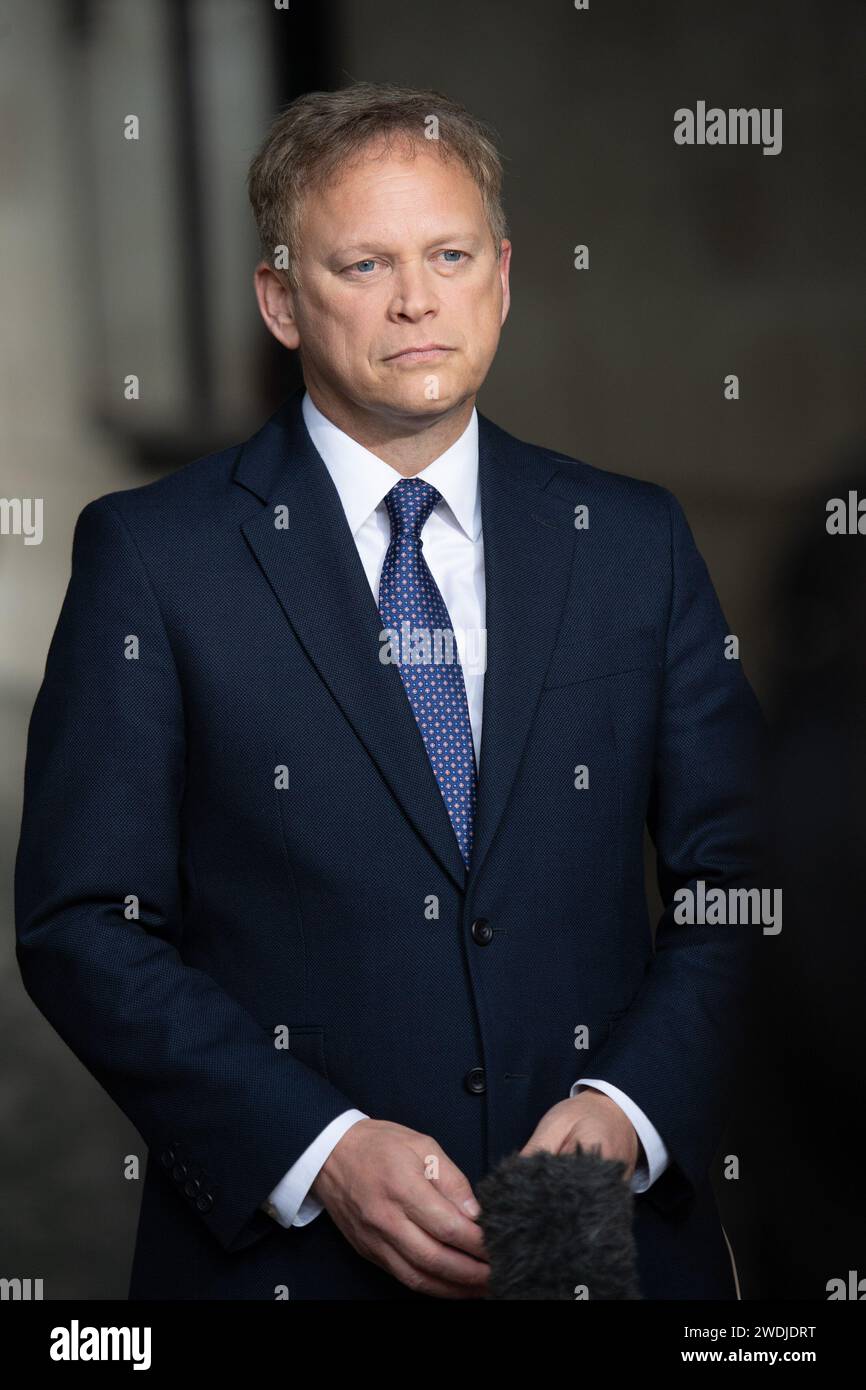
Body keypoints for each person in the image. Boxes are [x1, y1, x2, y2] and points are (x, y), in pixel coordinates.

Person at [14, 82, 765, 1300]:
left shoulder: (631, 541)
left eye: (448, 254)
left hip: (594, 1245)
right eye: (363, 263)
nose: (416, 300)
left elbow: (744, 876)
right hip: (290, 1260)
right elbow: (84, 923)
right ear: (279, 299)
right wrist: (318, 1151)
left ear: (502, 276)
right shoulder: (155, 558)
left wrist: (630, 1105)